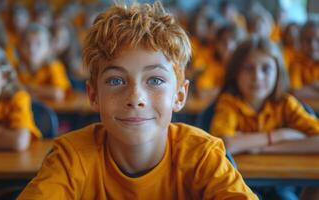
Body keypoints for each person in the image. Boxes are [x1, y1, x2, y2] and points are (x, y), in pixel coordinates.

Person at [17, 2, 257, 199]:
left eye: (154, 80)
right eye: (116, 81)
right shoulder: (71, 157)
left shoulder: (202, 156)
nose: (135, 98)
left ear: (180, 95)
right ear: (93, 95)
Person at [210, 36, 319, 155]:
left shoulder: (286, 103)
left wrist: (265, 149)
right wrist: (280, 135)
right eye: (248, 68)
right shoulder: (228, 102)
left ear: (278, 73)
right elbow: (223, 144)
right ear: (236, 72)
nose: (257, 77)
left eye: (266, 69)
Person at [17, 23, 71, 101]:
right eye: (27, 44)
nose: (32, 49)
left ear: (48, 48)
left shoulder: (54, 66)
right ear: (20, 46)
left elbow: (58, 93)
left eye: (38, 44)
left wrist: (30, 89)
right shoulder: (18, 67)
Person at [289, 20, 319, 100]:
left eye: (318, 40)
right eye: (308, 40)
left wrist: (310, 85)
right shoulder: (296, 63)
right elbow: (296, 93)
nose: (313, 45)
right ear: (300, 42)